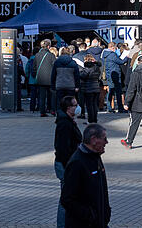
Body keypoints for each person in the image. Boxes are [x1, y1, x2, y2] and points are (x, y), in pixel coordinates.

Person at [61, 123, 111, 228]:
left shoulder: (95, 157)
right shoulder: (77, 163)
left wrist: (105, 212)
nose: (106, 142)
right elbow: (67, 199)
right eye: (104, 138)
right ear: (93, 140)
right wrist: (89, 215)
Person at [54, 95, 82, 228]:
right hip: (65, 164)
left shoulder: (68, 121)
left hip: (68, 163)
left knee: (70, 196)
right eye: (75, 105)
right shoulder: (64, 124)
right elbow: (63, 148)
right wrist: (70, 167)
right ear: (68, 108)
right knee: (66, 198)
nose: (77, 108)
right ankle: (62, 224)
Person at [102, 42, 129, 113]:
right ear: (113, 48)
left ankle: (109, 107)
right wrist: (127, 57)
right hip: (115, 75)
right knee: (118, 92)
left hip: (109, 74)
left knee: (110, 91)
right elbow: (121, 62)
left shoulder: (104, 54)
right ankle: (120, 108)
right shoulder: (112, 55)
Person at [34, 39, 57, 116]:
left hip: (40, 79)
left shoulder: (37, 55)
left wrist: (35, 76)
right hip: (50, 79)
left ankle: (42, 112)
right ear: (48, 46)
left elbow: (34, 67)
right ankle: (52, 110)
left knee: (42, 97)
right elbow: (54, 67)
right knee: (52, 96)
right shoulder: (51, 55)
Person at [79, 54, 103, 124]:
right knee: (94, 105)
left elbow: (83, 76)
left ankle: (91, 120)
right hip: (96, 87)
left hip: (88, 88)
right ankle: (94, 119)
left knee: (89, 106)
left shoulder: (88, 68)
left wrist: (80, 73)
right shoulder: (97, 67)